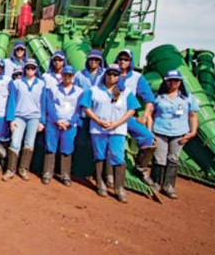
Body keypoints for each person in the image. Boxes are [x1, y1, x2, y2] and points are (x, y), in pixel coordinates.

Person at [80, 64, 140, 203]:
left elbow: (132, 110)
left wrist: (117, 123)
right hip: (98, 129)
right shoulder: (94, 90)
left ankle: (119, 188)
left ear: (119, 77)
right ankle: (100, 183)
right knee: (99, 155)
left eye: (115, 74)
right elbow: (86, 107)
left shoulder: (126, 92)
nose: (112, 77)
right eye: (109, 74)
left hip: (117, 130)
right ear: (105, 74)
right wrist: (98, 121)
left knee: (118, 156)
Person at [151, 70, 199, 199]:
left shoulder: (187, 98)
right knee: (159, 157)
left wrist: (192, 132)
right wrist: (150, 131)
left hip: (178, 132)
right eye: (170, 80)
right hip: (160, 131)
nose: (173, 83)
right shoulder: (158, 97)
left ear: (180, 82)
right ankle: (157, 183)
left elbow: (193, 115)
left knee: (173, 158)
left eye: (176, 80)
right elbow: (150, 114)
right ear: (166, 81)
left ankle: (169, 186)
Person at [112, 49, 156, 187]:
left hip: (128, 115)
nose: (122, 62)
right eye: (120, 59)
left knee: (147, 137)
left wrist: (145, 115)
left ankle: (141, 168)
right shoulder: (110, 73)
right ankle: (109, 172)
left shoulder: (137, 77)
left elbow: (149, 99)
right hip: (111, 114)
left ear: (130, 61)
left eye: (126, 59)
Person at [4, 58, 46, 182]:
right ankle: (10, 169)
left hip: (34, 117)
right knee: (15, 142)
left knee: (29, 143)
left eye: (32, 68)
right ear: (24, 69)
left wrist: (42, 121)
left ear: (36, 70)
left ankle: (23, 169)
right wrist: (11, 119)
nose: (30, 70)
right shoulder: (16, 83)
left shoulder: (41, 84)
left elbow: (43, 103)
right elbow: (11, 101)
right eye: (28, 68)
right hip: (19, 116)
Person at [42, 65, 83, 186]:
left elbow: (79, 110)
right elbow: (49, 105)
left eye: (69, 75)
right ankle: (47, 172)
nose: (67, 77)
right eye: (65, 75)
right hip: (54, 123)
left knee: (67, 148)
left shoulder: (79, 92)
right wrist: (56, 120)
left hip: (70, 125)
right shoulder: (52, 88)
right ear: (62, 76)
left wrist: (69, 122)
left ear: (73, 77)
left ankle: (65, 175)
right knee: (50, 146)